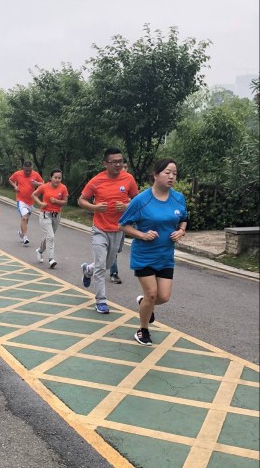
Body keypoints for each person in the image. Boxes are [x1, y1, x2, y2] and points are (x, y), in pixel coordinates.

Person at [119, 158, 187, 345]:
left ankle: (144, 303)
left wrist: (181, 231)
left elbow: (184, 218)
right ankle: (143, 330)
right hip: (144, 255)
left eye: (174, 173)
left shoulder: (178, 198)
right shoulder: (141, 200)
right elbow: (123, 225)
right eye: (167, 173)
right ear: (156, 175)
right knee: (151, 294)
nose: (171, 177)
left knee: (163, 297)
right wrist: (142, 234)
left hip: (165, 256)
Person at [78, 148, 139, 314]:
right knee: (100, 265)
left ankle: (88, 270)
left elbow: (137, 200)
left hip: (118, 229)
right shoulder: (97, 180)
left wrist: (126, 206)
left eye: (120, 161)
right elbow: (81, 200)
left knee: (107, 263)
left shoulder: (128, 179)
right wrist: (95, 207)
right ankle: (101, 301)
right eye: (114, 162)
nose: (118, 164)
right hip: (100, 229)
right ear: (105, 163)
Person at [32, 169, 68, 269]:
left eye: (59, 178)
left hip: (56, 215)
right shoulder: (44, 187)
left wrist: (56, 201)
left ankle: (40, 251)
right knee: (50, 236)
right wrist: (40, 203)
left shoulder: (63, 188)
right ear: (50, 178)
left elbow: (65, 202)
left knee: (49, 236)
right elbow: (34, 195)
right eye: (55, 177)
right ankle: (51, 259)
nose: (57, 180)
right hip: (45, 214)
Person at [8, 161, 43, 245]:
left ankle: (21, 232)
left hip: (30, 202)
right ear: (23, 168)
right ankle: (25, 237)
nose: (28, 172)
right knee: (24, 218)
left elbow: (43, 184)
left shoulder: (35, 174)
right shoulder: (17, 174)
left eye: (29, 170)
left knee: (26, 220)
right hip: (21, 200)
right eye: (26, 170)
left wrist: (37, 183)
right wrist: (15, 186)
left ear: (32, 169)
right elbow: (10, 179)